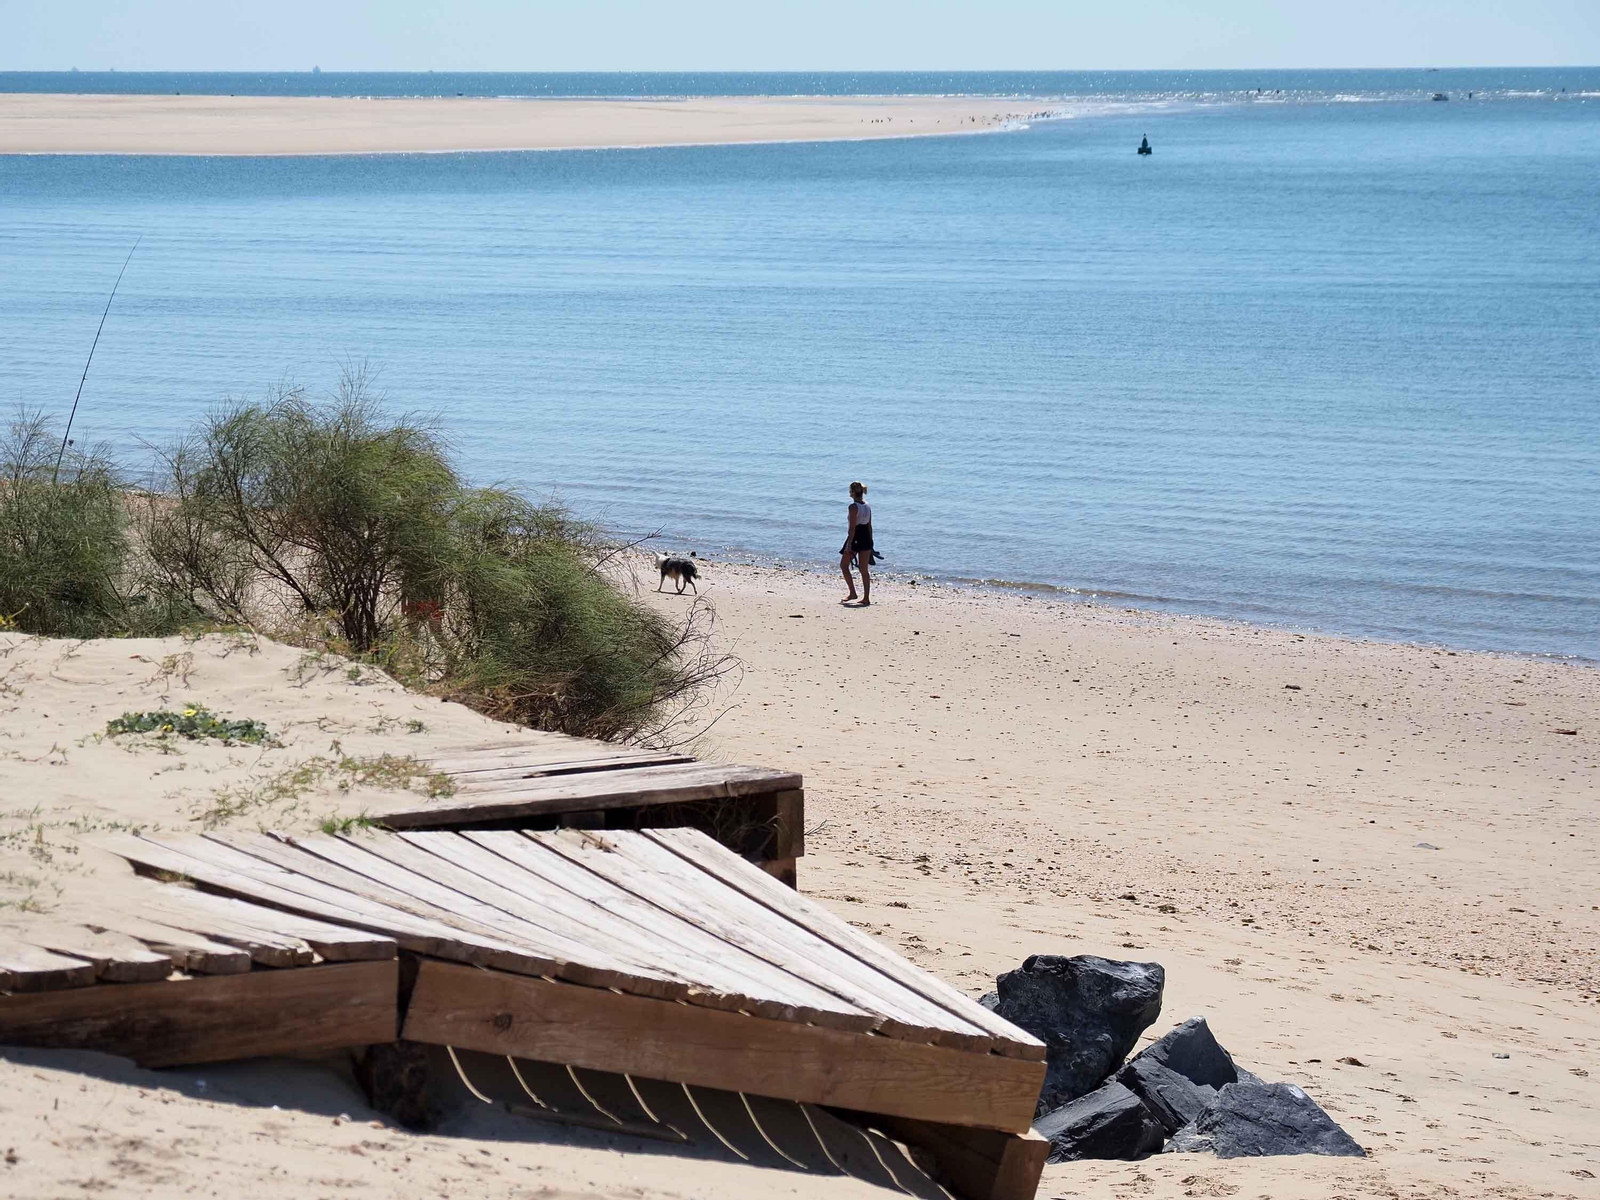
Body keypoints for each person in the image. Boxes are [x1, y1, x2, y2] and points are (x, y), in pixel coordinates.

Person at [840, 481, 873, 606]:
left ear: (853, 493)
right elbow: (869, 526)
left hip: (856, 537)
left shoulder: (853, 507)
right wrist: (871, 542)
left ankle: (853, 592)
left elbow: (852, 527)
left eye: (850, 491)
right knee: (864, 570)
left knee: (844, 566)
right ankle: (866, 598)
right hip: (866, 537)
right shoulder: (867, 506)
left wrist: (849, 544)